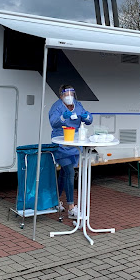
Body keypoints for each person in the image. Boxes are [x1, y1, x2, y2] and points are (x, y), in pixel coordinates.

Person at [48, 85, 93, 219]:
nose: (69, 96)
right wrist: (62, 118)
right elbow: (53, 122)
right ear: (61, 95)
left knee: (63, 174)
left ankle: (55, 201)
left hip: (75, 145)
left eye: (71, 93)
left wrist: (87, 117)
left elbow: (88, 120)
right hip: (61, 145)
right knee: (69, 172)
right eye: (66, 94)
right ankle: (71, 207)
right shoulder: (56, 107)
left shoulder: (78, 105)